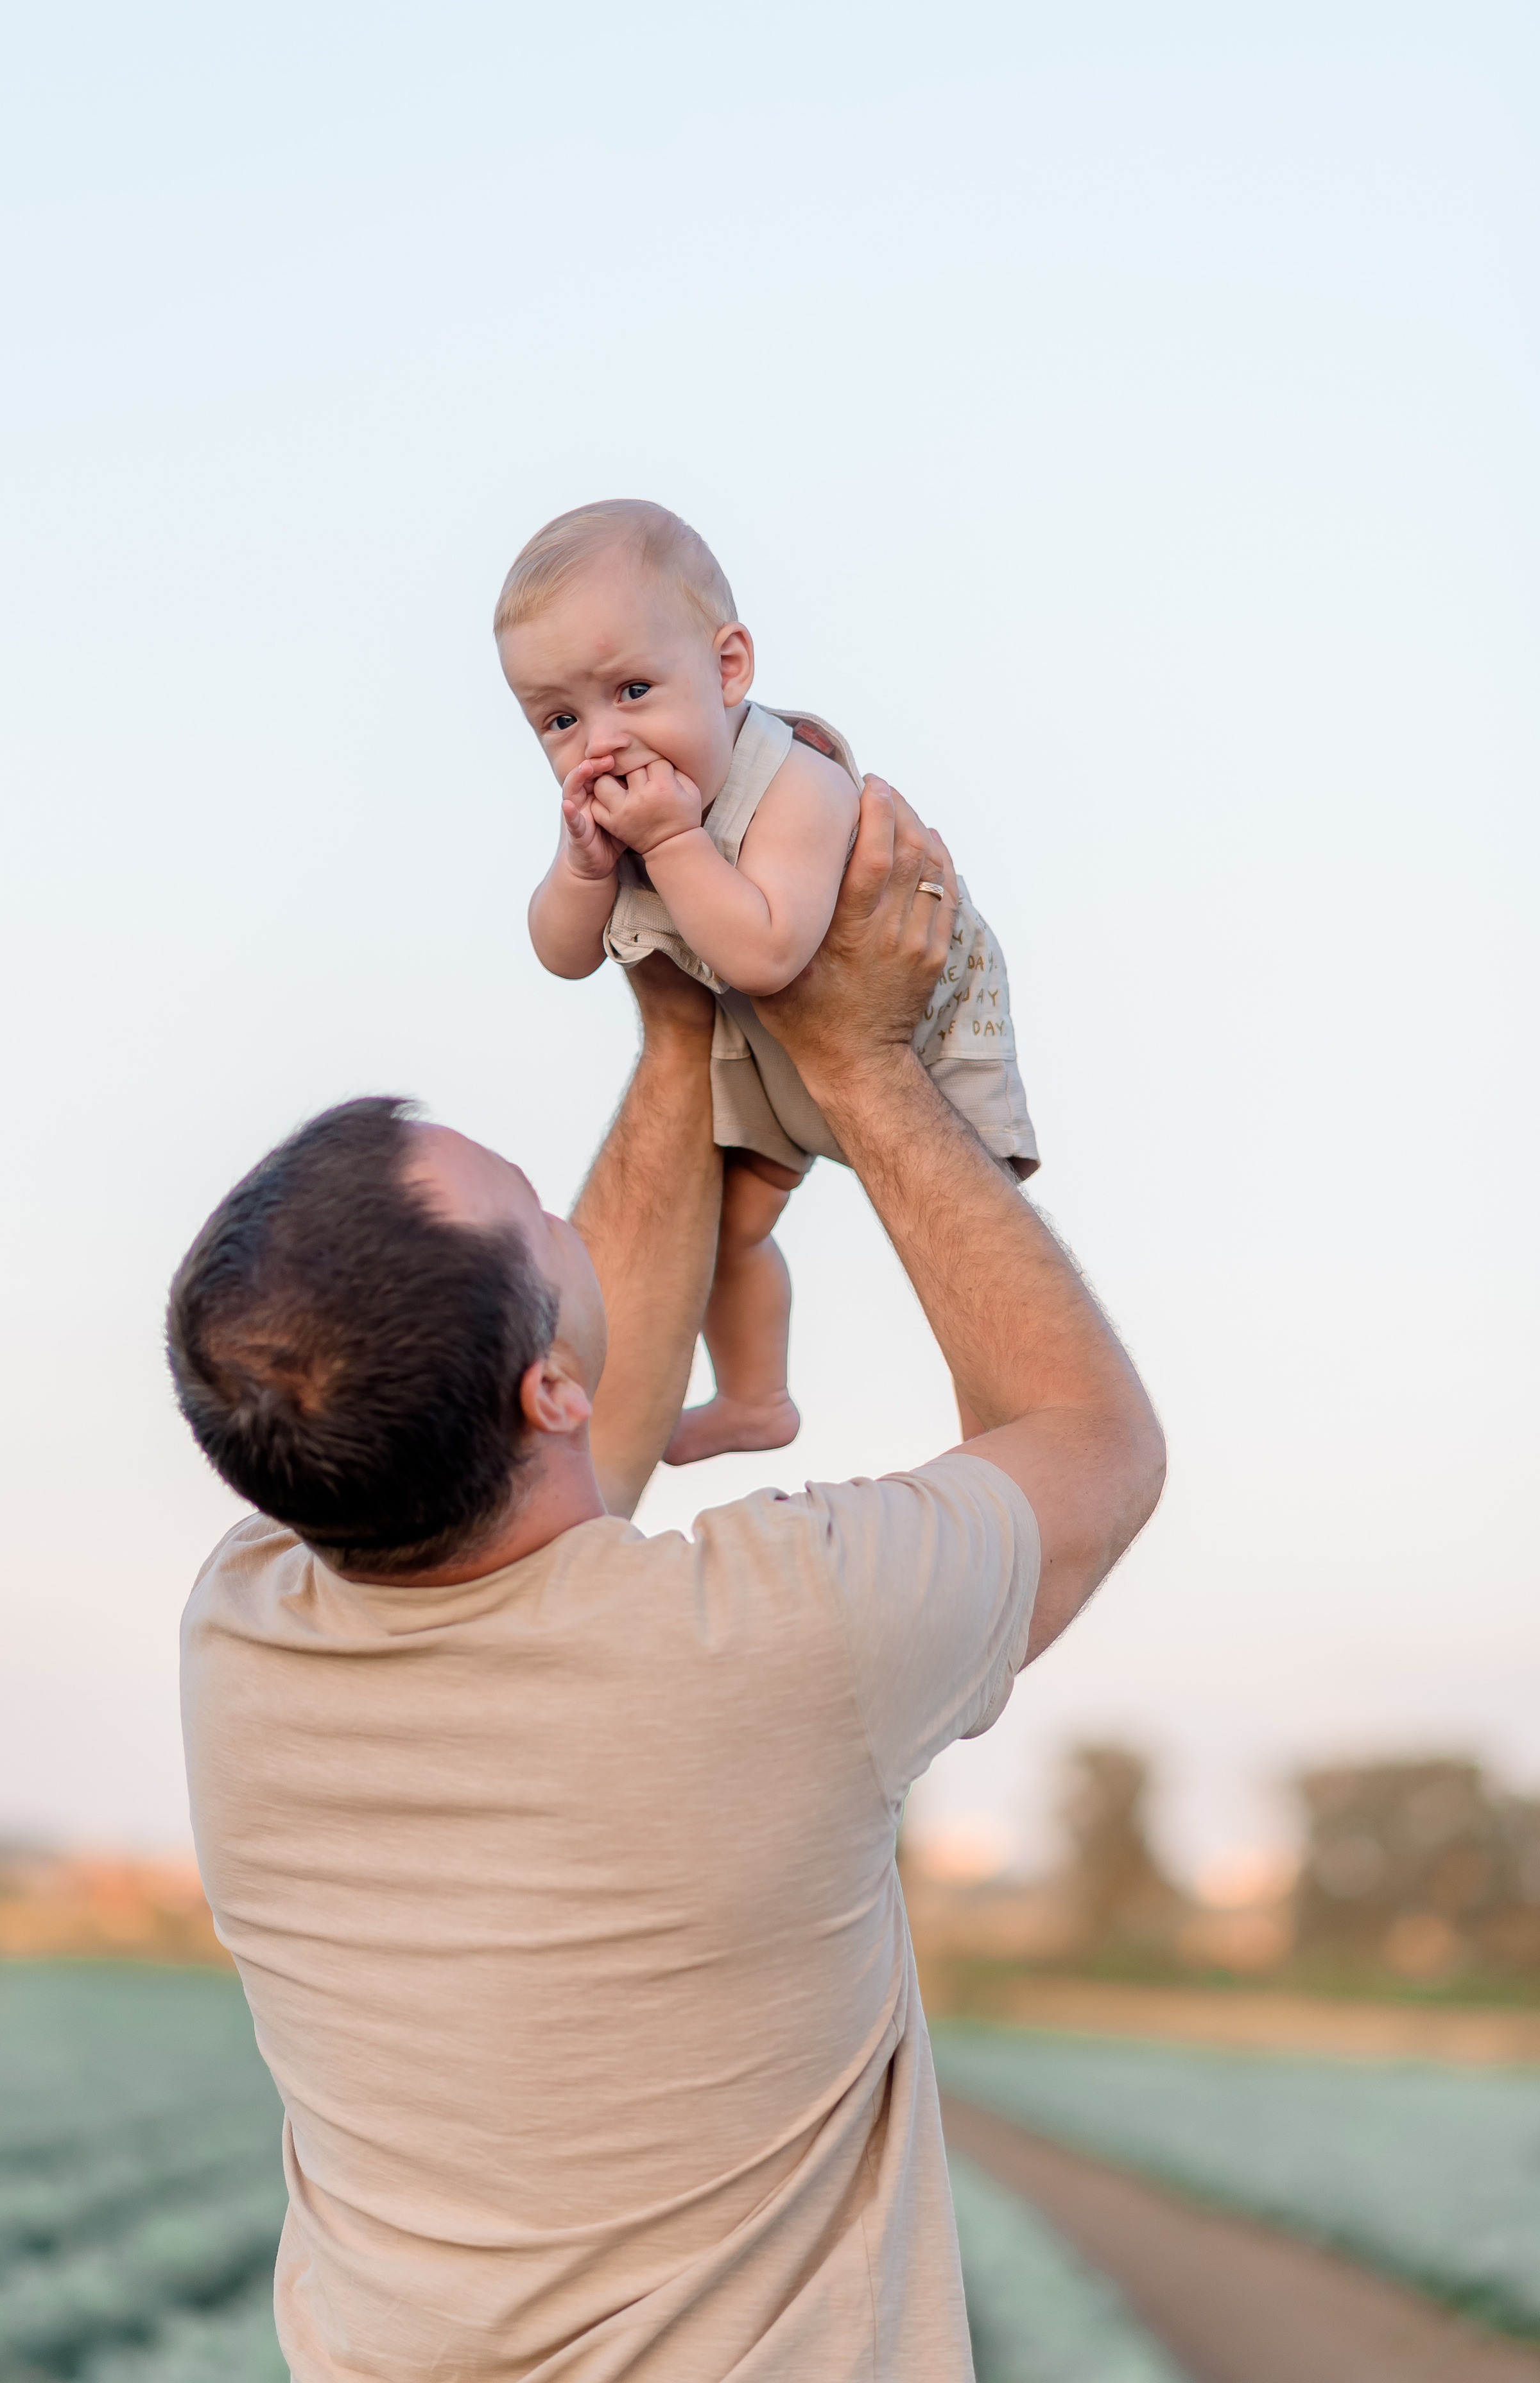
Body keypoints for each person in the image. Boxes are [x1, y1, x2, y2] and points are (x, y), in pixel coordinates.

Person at [169, 783, 1164, 2383]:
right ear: (542, 1387)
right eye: (526, 1207)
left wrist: (673, 1036)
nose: (562, 1212)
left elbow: (575, 1425)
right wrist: (857, 1057)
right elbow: (1091, 1446)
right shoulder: (773, 1643)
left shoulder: (249, 1630)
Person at [505, 499, 1039, 1466]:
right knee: (725, 1238)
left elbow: (765, 952)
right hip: (776, 1046)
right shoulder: (623, 811)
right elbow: (561, 952)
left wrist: (669, 844)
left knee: (970, 1250)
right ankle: (758, 1400)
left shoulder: (795, 783)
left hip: (922, 1033)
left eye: (632, 689)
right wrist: (584, 874)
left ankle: (1009, 1439)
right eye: (561, 719)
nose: (601, 743)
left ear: (728, 669)